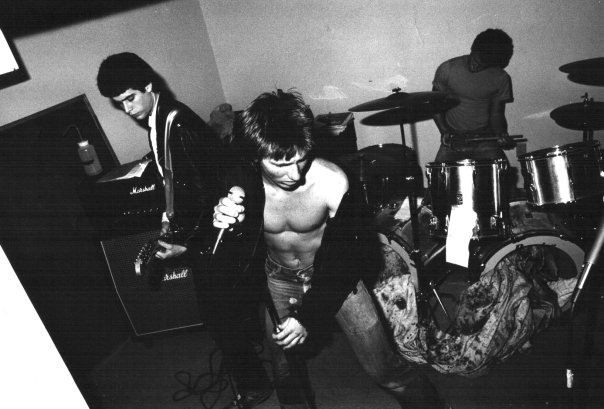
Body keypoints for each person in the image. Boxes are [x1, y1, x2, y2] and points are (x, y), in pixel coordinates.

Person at [212, 89, 448, 409]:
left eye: (301, 160)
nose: (295, 174)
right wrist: (227, 222)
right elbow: (225, 252)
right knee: (284, 370)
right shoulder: (239, 179)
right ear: (256, 156)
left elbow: (346, 259)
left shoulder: (332, 181)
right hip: (278, 278)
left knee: (384, 369)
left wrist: (307, 316)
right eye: (281, 164)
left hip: (334, 277)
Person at [96, 52, 272, 407]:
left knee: (218, 317)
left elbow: (210, 194)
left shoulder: (178, 125)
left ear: (148, 85)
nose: (127, 109)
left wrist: (189, 247)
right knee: (224, 313)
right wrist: (168, 220)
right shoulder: (159, 121)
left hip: (221, 231)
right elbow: (178, 183)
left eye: (130, 98)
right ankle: (251, 350)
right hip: (205, 228)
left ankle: (255, 386)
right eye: (120, 104)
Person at [432, 28, 515, 162]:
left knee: (502, 172)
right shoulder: (448, 68)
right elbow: (434, 105)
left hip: (485, 137)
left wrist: (501, 134)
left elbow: (497, 113)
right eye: (475, 59)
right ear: (472, 49)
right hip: (454, 137)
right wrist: (444, 131)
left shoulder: (501, 77)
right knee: (439, 174)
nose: (475, 66)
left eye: (483, 65)